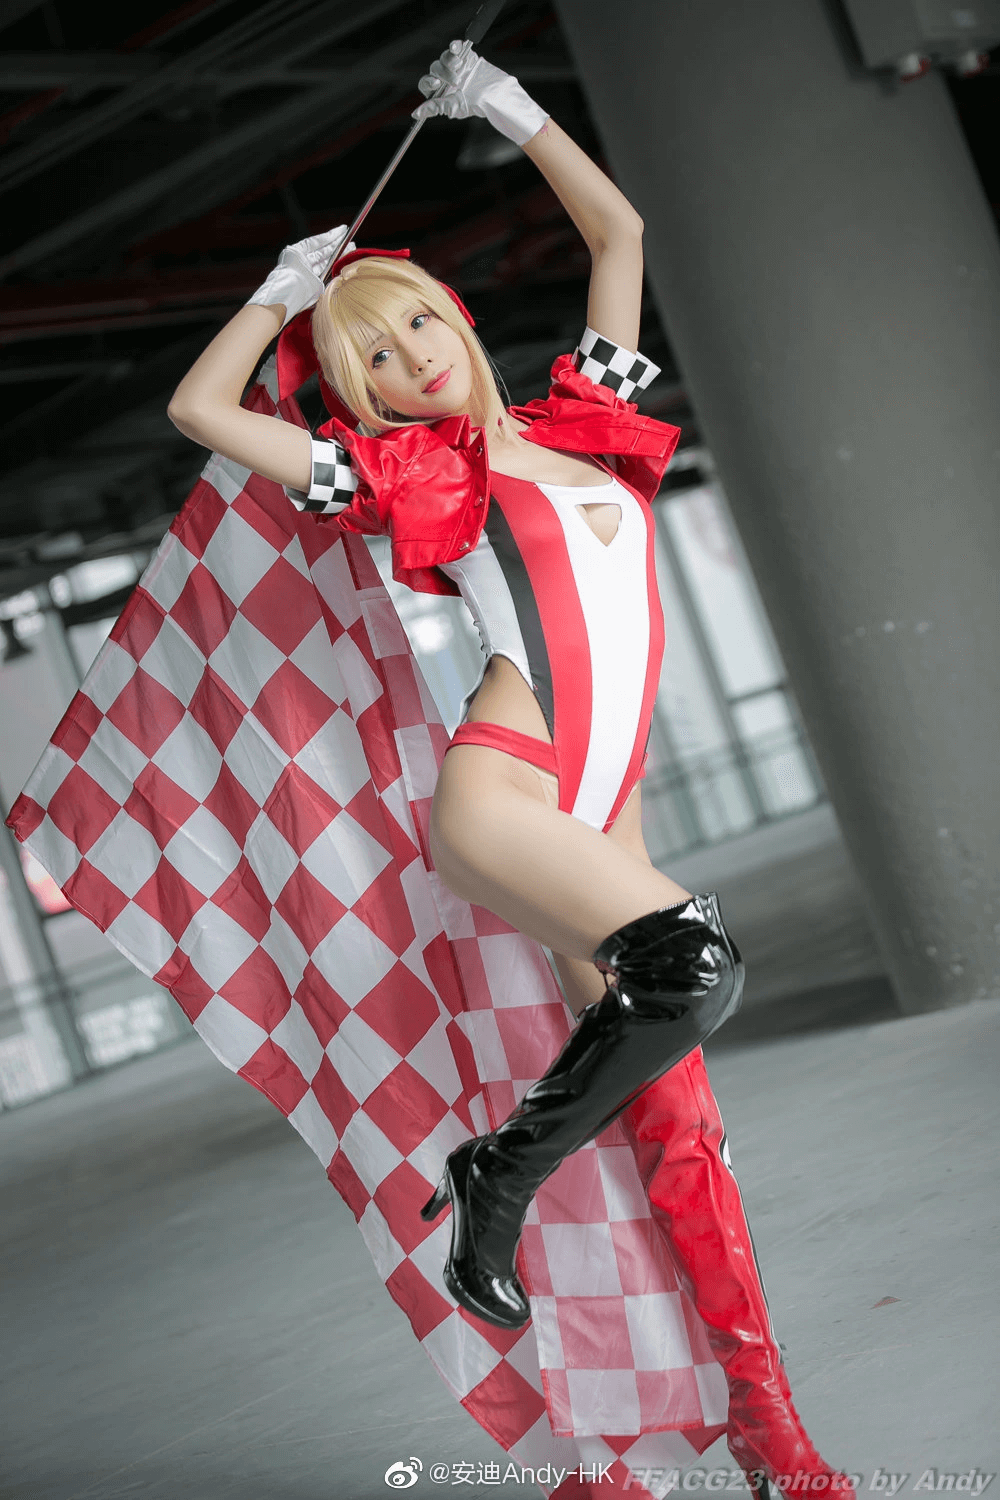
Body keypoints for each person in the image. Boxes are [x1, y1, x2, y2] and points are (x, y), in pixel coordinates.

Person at [163, 41, 848, 1500]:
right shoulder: (411, 477)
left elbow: (620, 233)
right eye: (375, 358)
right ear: (363, 396)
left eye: (418, 320)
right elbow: (203, 414)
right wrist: (280, 293)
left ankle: (763, 1426)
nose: (413, 357)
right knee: (697, 964)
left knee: (682, 1133)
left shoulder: (586, 425)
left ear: (456, 312)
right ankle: (498, 1178)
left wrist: (507, 106)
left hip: (605, 813)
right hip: (508, 789)